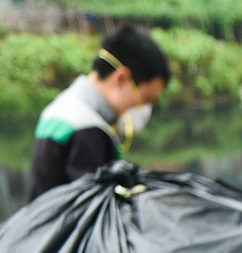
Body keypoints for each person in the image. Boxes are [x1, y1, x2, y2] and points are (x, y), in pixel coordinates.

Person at [27, 25, 172, 201]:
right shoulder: (87, 129)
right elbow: (96, 212)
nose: (145, 110)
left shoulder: (63, 108)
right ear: (121, 78)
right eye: (145, 100)